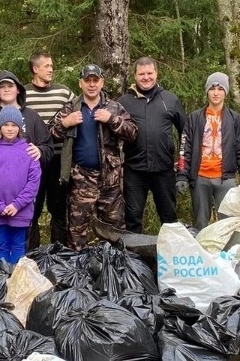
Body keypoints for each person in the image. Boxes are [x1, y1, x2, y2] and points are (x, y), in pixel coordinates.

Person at [51, 64, 137, 251]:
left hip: (110, 182)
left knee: (116, 233)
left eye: (95, 80)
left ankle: (116, 272)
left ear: (102, 82)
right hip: (81, 180)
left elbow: (132, 133)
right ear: (80, 83)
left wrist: (112, 120)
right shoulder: (71, 108)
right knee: (76, 233)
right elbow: (50, 135)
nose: (92, 85)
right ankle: (78, 276)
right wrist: (65, 123)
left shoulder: (114, 107)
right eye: (87, 81)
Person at [118, 56, 186, 233]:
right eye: (141, 74)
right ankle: (134, 260)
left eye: (149, 73)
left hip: (163, 169)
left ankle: (170, 257)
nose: (146, 77)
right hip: (134, 170)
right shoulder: (124, 102)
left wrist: (182, 166)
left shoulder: (170, 100)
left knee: (169, 218)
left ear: (156, 73)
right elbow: (112, 134)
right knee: (132, 219)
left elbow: (185, 133)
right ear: (135, 75)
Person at [177, 72, 240, 230]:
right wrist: (182, 175)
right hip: (199, 178)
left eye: (220, 89)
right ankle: (201, 253)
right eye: (212, 89)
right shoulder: (195, 118)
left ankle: (227, 254)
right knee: (200, 224)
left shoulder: (234, 119)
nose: (216, 93)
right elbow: (185, 148)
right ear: (207, 91)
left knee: (228, 226)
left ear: (226, 91)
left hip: (226, 179)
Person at [0, 107, 42, 267]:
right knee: (2, 245)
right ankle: (1, 282)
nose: (10, 129)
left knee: (19, 246)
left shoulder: (28, 150)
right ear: (0, 126)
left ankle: (16, 283)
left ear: (20, 127)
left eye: (14, 125)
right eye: (6, 125)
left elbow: (34, 182)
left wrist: (17, 205)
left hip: (21, 210)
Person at [22, 52, 74, 248]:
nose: (51, 69)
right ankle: (31, 256)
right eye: (47, 66)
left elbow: (78, 115)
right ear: (35, 69)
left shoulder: (64, 93)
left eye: (52, 66)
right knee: (30, 209)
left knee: (59, 208)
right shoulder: (22, 94)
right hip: (31, 160)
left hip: (59, 158)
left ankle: (60, 256)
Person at [0, 70, 53, 169]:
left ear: (18, 90)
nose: (6, 90)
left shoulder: (32, 116)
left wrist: (40, 151)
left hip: (28, 179)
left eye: (10, 86)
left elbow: (48, 147)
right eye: (2, 87)